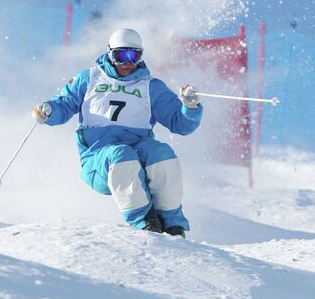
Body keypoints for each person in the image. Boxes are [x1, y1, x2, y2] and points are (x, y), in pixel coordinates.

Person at [32, 28, 202, 237]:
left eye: (134, 56)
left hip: (138, 155)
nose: (127, 63)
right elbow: (65, 104)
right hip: (99, 159)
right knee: (121, 154)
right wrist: (49, 111)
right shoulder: (90, 79)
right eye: (121, 56)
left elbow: (180, 124)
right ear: (110, 54)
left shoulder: (151, 87)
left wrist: (190, 107)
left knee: (161, 153)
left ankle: (172, 223)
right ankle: (145, 221)